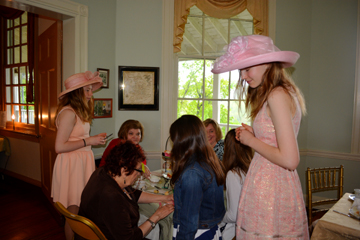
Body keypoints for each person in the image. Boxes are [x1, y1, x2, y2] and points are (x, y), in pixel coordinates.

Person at [212, 35, 309, 239]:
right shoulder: (280, 93)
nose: (243, 76)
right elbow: (279, 139)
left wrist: (251, 141)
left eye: (247, 69)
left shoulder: (276, 95)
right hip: (270, 183)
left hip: (272, 188)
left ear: (267, 63)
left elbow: (290, 160)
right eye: (241, 70)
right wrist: (256, 134)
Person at [51, 71, 107, 240]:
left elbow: (77, 138)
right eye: (87, 90)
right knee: (73, 214)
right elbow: (59, 147)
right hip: (72, 167)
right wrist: (89, 140)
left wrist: (93, 140)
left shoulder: (78, 111)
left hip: (80, 163)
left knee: (80, 210)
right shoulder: (68, 113)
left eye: (91, 90)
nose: (91, 94)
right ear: (76, 92)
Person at [78, 141, 174, 240]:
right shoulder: (111, 198)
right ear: (124, 170)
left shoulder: (105, 172)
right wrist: (156, 216)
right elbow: (129, 238)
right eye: (138, 170)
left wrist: (164, 197)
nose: (139, 174)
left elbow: (132, 194)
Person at [170, 115, 225, 240]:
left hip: (197, 233)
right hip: (209, 229)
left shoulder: (192, 172)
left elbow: (189, 220)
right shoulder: (208, 160)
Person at [219, 129, 253, 240]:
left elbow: (234, 215)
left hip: (235, 232)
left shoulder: (233, 174)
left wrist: (220, 219)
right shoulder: (252, 169)